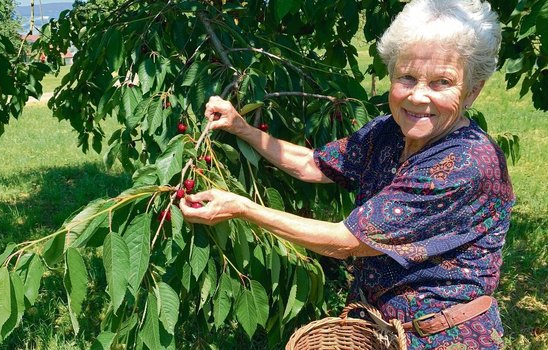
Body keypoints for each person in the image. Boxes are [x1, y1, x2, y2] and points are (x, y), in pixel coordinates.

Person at [179, 0, 514, 348]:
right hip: (379, 328)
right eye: (407, 77)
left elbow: (345, 243)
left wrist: (243, 209)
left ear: (472, 90)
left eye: (441, 82)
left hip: (440, 337)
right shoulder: (389, 131)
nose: (417, 96)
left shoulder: (464, 164)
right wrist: (243, 128)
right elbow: (314, 165)